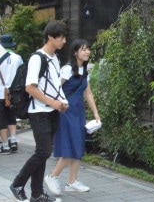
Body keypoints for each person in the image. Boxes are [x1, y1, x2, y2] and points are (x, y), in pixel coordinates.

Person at [9, 21, 68, 202]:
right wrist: (52, 102)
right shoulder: (37, 58)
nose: (64, 41)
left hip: (52, 111)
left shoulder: (55, 58)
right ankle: (18, 183)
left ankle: (37, 194)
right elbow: (30, 87)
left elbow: (54, 85)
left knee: (43, 152)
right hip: (39, 112)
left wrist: (62, 102)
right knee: (44, 152)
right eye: (61, 37)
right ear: (50, 36)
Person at [44, 38, 100, 195]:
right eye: (84, 49)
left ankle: (72, 181)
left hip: (78, 113)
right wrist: (57, 105)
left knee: (78, 146)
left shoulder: (84, 71)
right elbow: (55, 88)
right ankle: (52, 176)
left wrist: (95, 113)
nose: (87, 52)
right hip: (66, 112)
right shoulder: (67, 69)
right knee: (71, 147)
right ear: (75, 52)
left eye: (88, 49)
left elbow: (88, 93)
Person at [0, 34, 24, 154]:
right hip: (14, 93)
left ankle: (5, 145)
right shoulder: (18, 58)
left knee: (1, 119)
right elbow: (21, 74)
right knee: (11, 116)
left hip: (0, 92)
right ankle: (13, 140)